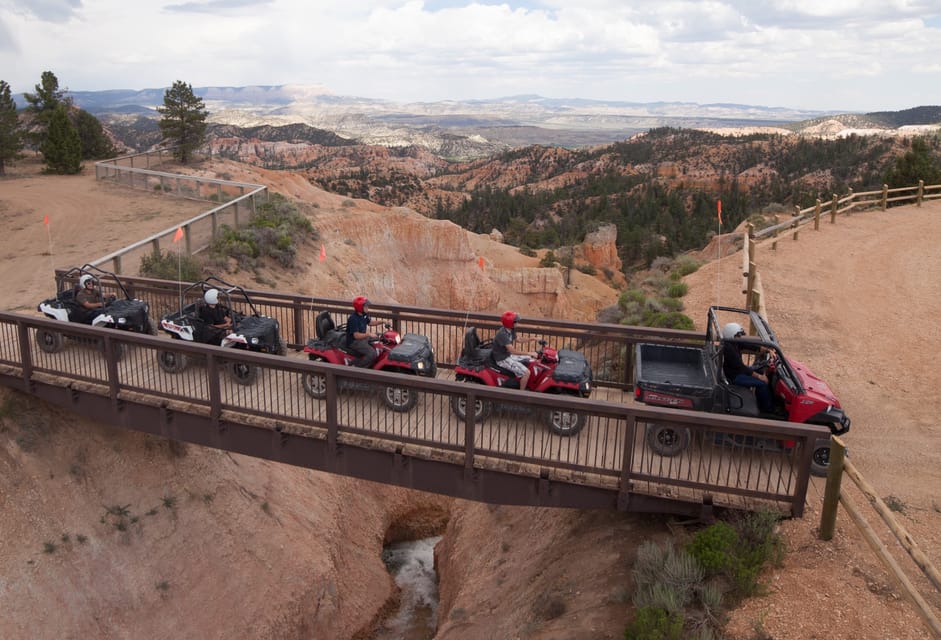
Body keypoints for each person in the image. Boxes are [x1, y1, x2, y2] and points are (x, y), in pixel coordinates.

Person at [721, 322, 773, 413]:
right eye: (738, 335)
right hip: (734, 377)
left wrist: (768, 350)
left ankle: (761, 401)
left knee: (761, 372)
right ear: (732, 335)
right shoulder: (728, 349)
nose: (740, 337)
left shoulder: (734, 343)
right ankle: (767, 410)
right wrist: (759, 377)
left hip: (738, 372)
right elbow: (742, 368)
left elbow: (749, 346)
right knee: (762, 383)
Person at [491, 310, 537, 391]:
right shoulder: (502, 334)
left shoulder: (510, 330)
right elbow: (512, 350)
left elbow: (519, 339)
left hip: (508, 355)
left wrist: (532, 339)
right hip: (502, 359)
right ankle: (520, 394)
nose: (517, 323)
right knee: (527, 373)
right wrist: (529, 352)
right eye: (515, 322)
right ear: (510, 323)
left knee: (531, 360)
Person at [346, 296, 383, 367]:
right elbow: (356, 336)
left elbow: (370, 323)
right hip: (354, 342)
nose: (367, 308)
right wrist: (368, 334)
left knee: (380, 336)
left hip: (362, 338)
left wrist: (382, 321)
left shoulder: (363, 315)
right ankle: (357, 367)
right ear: (360, 308)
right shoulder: (353, 319)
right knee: (372, 354)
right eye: (366, 306)